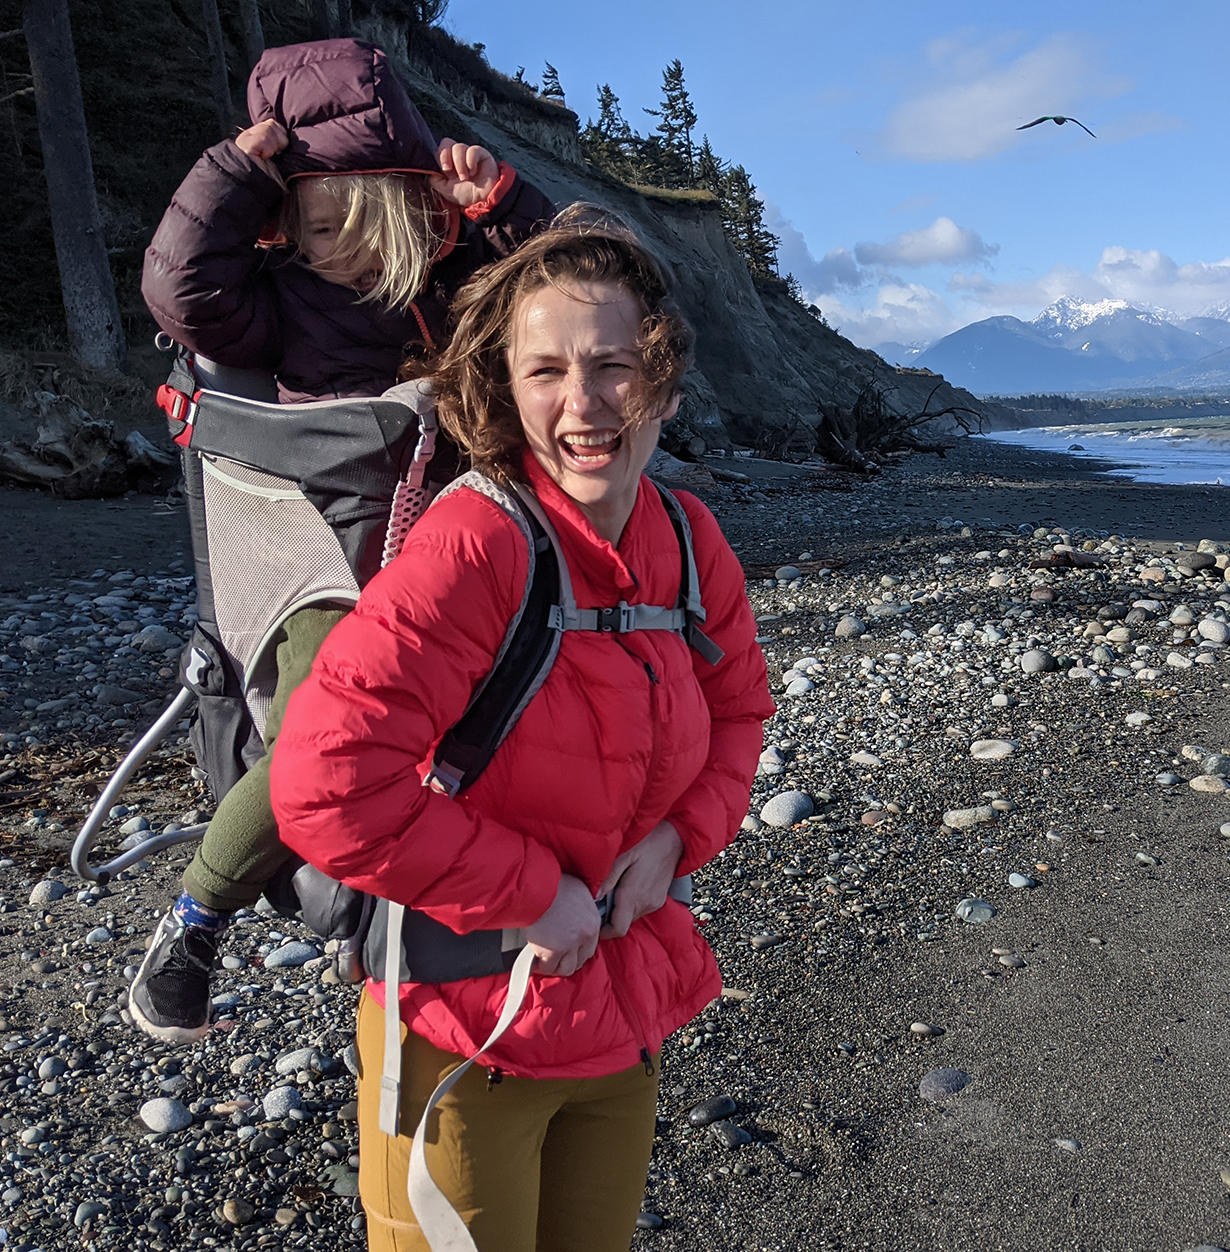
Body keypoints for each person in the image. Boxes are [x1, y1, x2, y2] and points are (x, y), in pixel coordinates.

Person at [268, 215, 775, 1251]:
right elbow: (325, 786)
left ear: (665, 382)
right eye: (544, 370)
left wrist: (681, 838)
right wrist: (533, 892)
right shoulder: (476, 543)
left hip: (618, 1016)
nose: (580, 406)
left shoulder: (687, 538)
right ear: (503, 389)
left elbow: (739, 714)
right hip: (459, 1033)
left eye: (614, 366)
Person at [128, 37, 552, 1044]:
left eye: (357, 225)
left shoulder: (453, 291)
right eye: (314, 227)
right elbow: (178, 293)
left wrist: (503, 202)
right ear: (287, 223)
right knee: (332, 724)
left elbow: (569, 277)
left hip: (441, 547)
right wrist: (235, 171)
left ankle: (434, 906)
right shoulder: (273, 307)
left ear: (408, 210)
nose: (337, 250)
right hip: (322, 554)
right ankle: (194, 916)